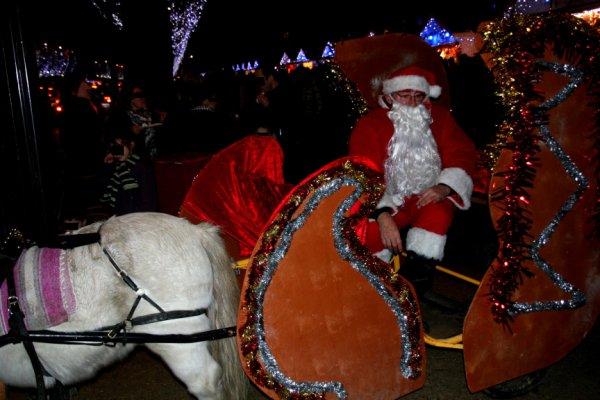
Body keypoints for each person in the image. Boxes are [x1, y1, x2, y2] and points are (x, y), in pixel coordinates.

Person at [349, 65, 477, 296]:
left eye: (418, 96)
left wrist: (445, 186)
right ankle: (371, 291)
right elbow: (363, 172)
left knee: (438, 215)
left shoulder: (439, 118)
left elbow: (462, 153)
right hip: (388, 198)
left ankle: (413, 293)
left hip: (426, 194)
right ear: (389, 96)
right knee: (371, 234)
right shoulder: (370, 124)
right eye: (404, 96)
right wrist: (382, 213)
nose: (411, 103)